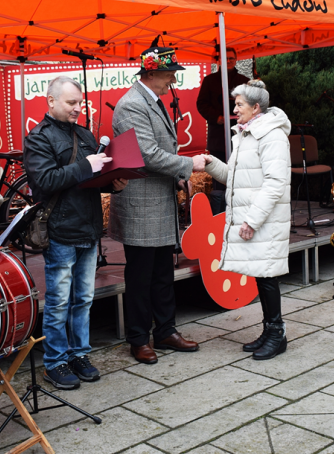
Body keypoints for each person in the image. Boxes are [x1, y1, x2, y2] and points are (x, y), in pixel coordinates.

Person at [25, 76, 128, 390]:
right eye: (71, 103)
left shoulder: (84, 133)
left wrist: (114, 181)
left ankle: (80, 354)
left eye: (80, 103)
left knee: (83, 299)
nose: (77, 109)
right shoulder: (37, 138)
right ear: (51, 101)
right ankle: (55, 362)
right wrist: (87, 165)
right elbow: (45, 181)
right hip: (60, 230)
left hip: (88, 226)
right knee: (58, 301)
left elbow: (94, 177)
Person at [109, 46, 207, 364]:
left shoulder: (151, 100)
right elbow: (147, 154)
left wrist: (177, 176)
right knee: (140, 276)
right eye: (169, 75)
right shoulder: (131, 105)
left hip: (158, 202)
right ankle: (138, 338)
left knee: (163, 272)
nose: (171, 81)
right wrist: (186, 165)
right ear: (151, 74)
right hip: (141, 205)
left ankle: (165, 331)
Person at [203, 80, 291, 360]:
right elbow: (237, 179)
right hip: (257, 217)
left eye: (239, 104)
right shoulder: (246, 134)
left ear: (256, 107)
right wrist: (212, 164)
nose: (235, 109)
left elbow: (276, 183)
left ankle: (277, 334)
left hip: (265, 219)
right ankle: (270, 330)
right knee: (262, 276)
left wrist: (251, 221)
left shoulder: (272, 136)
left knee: (267, 278)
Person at [196, 47, 250, 207]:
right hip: (218, 137)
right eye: (225, 58)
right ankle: (220, 213)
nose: (229, 61)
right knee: (219, 178)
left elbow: (252, 105)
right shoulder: (209, 80)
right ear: (219, 60)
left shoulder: (244, 80)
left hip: (240, 136)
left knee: (241, 173)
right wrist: (216, 117)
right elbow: (201, 104)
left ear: (236, 59)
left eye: (231, 58)